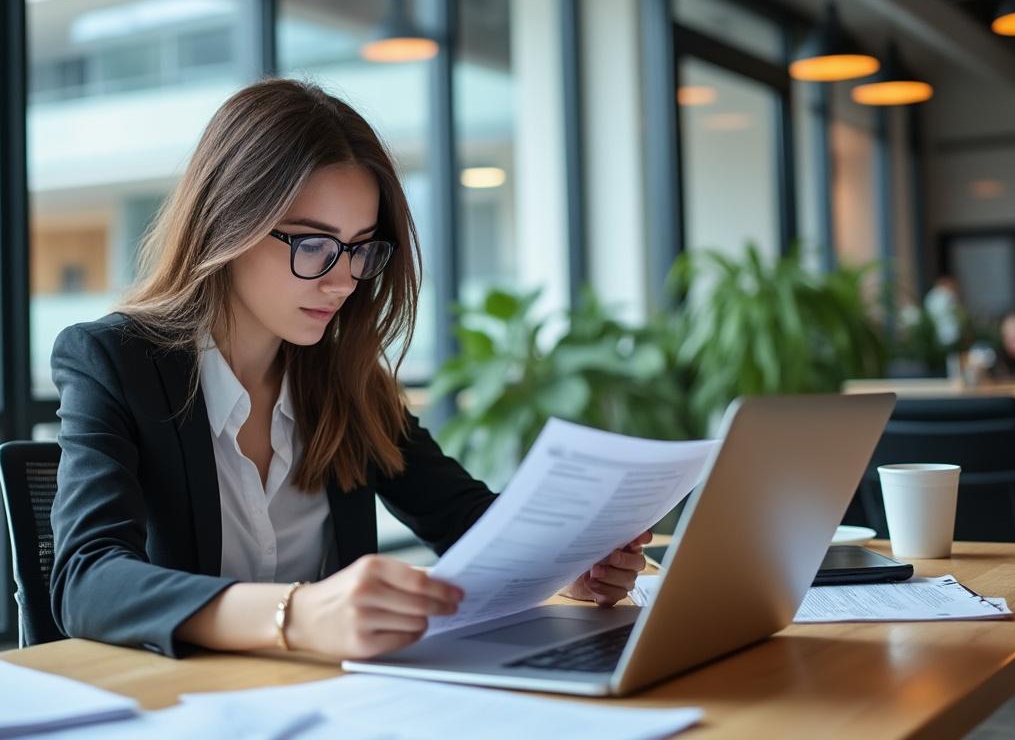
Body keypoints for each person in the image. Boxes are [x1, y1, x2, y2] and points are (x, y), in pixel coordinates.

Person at [49, 79, 650, 660]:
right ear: (228, 224)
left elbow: (460, 518)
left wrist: (568, 559)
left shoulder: (344, 376)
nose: (343, 280)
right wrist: (298, 614)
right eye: (313, 244)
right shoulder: (114, 361)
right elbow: (87, 580)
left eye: (362, 247)